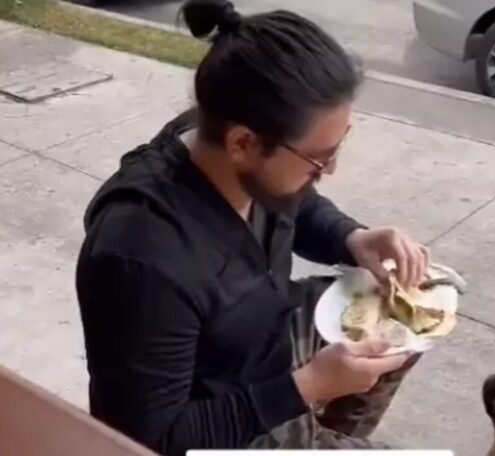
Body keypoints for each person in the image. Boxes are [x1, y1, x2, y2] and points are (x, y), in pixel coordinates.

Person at [75, 0, 430, 454]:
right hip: (221, 414)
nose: (331, 168)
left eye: (339, 145)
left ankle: (323, 435)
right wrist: (309, 386)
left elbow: (295, 203)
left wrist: (351, 237)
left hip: (261, 332)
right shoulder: (142, 261)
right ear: (243, 142)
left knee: (409, 316)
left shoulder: (225, 144)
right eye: (319, 158)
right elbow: (153, 439)